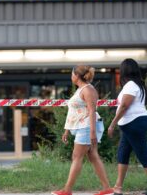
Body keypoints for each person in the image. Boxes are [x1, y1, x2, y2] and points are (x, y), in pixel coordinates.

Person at [52, 65, 113, 195]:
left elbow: (92, 111)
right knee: (93, 156)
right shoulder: (81, 89)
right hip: (83, 126)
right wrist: (66, 130)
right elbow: (73, 112)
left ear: (77, 75)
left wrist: (92, 132)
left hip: (87, 126)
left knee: (77, 156)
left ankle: (67, 190)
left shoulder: (88, 90)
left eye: (72, 74)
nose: (71, 76)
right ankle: (107, 188)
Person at [108, 59, 147, 195]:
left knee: (143, 155)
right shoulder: (138, 85)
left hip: (133, 123)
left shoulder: (131, 85)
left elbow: (125, 106)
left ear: (124, 70)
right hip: (132, 123)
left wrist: (112, 124)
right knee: (123, 154)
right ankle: (117, 188)